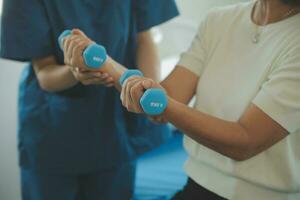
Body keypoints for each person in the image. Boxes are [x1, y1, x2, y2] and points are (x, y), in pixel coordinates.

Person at [119, 0, 300, 199]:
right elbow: (167, 100)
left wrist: (161, 104)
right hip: (197, 185)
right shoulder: (219, 20)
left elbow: (244, 142)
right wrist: (105, 65)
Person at [0, 0, 178, 200]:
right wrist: (75, 72)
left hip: (114, 126)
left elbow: (145, 39)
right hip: (54, 131)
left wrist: (147, 94)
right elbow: (44, 73)